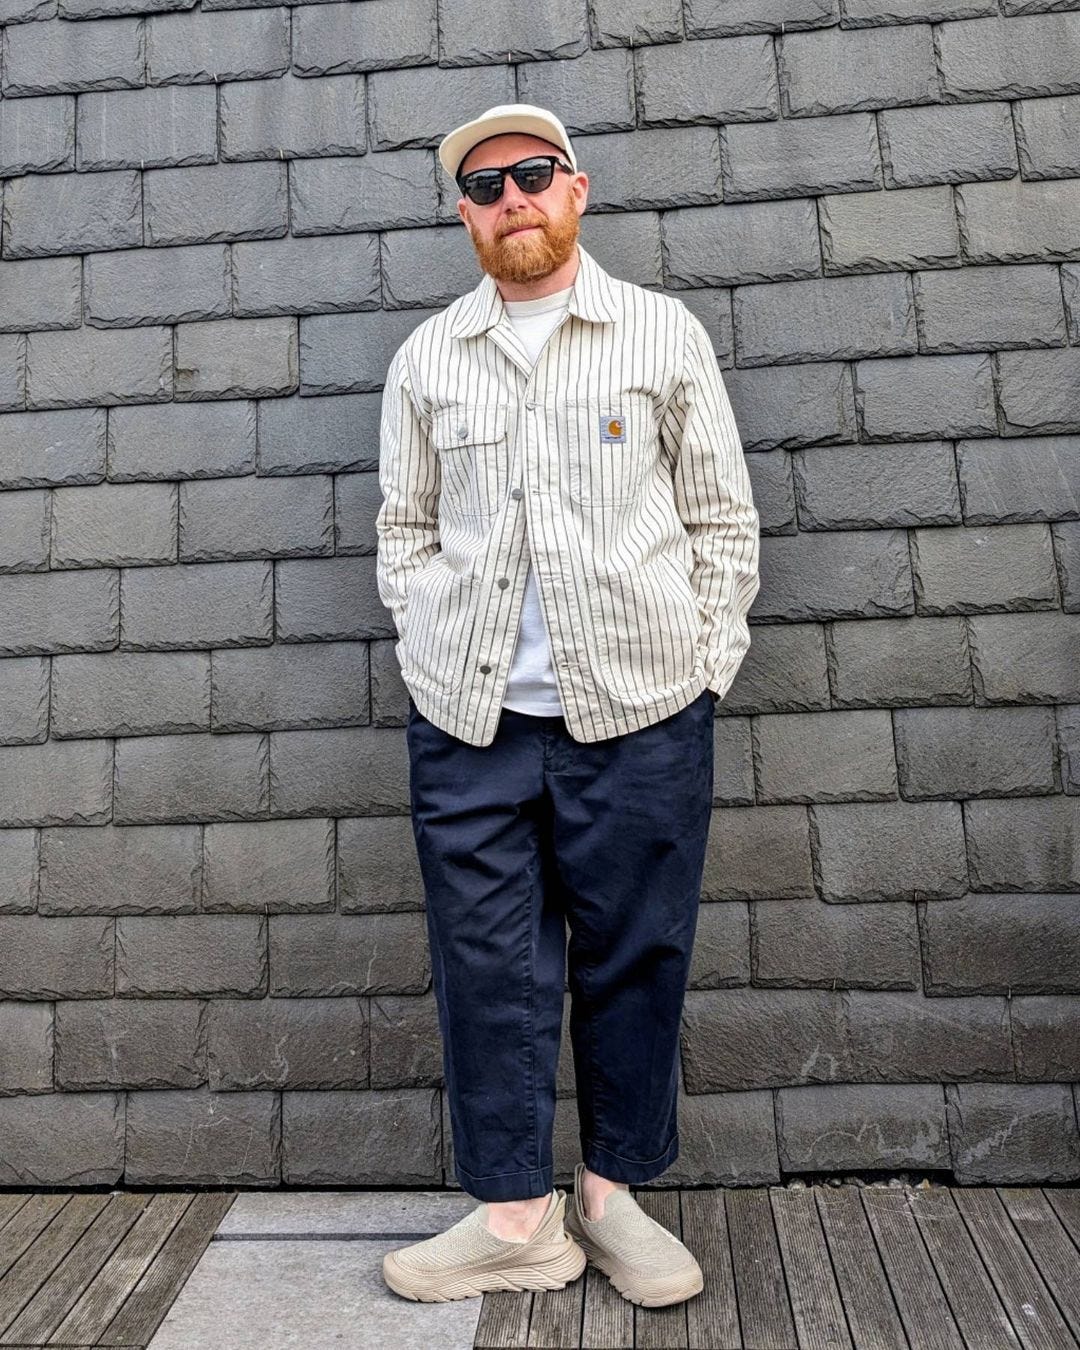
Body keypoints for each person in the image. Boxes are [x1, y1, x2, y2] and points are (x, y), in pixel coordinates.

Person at [376, 102, 760, 1307]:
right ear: (464, 216)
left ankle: (612, 1196)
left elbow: (721, 520)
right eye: (486, 188)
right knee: (485, 964)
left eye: (533, 175)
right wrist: (433, 640)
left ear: (576, 188)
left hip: (643, 711)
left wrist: (703, 665)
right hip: (470, 722)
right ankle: (511, 1219)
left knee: (635, 954)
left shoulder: (659, 334)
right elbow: (404, 531)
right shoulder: (430, 357)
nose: (513, 200)